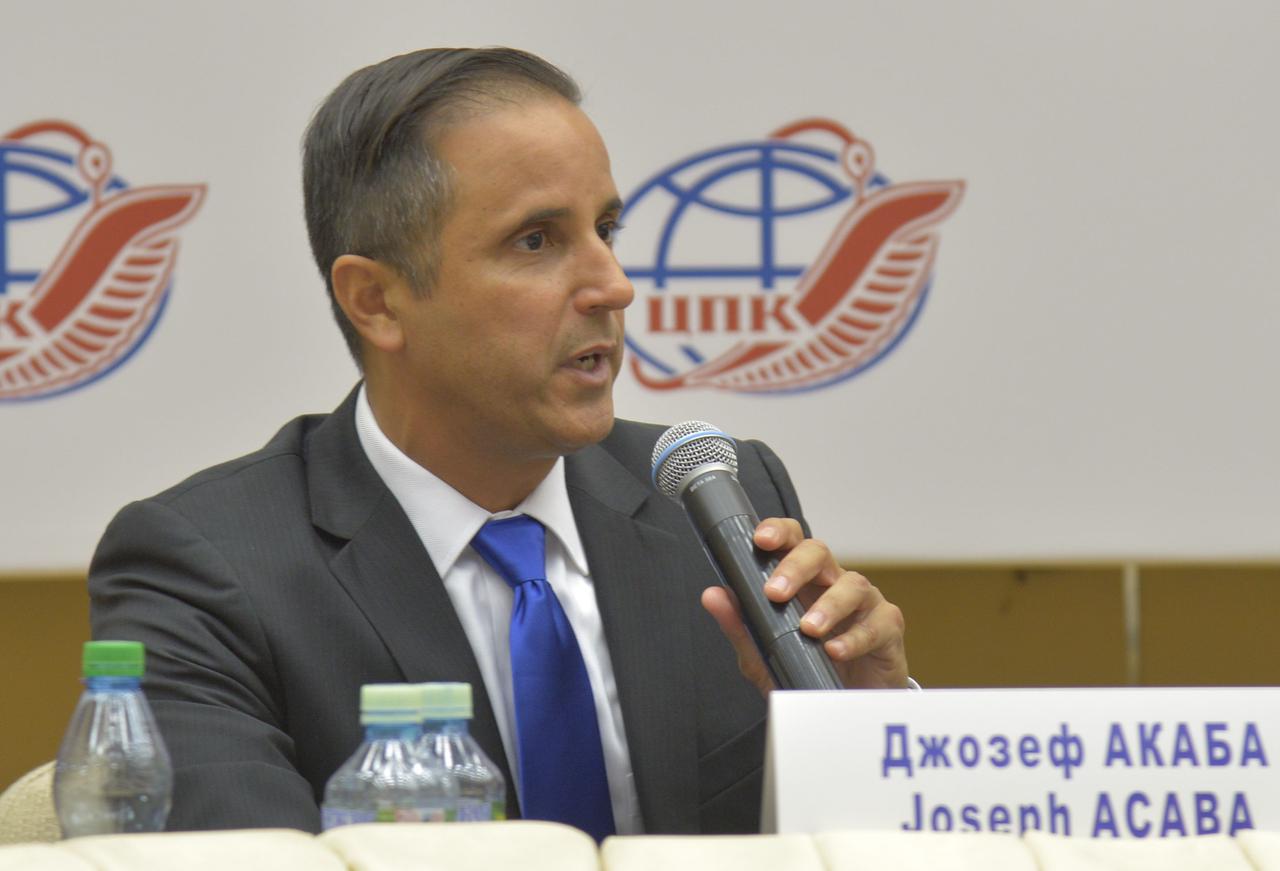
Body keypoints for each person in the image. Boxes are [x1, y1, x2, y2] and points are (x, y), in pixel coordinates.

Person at [89, 47, 909, 836]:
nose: (614, 285)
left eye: (607, 229)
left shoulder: (718, 505)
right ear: (376, 299)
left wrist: (874, 730)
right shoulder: (209, 568)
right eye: (537, 241)